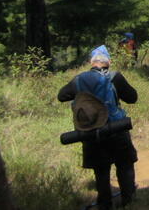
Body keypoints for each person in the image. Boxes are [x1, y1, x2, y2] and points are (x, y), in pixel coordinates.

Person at [58, 45, 138, 209]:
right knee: (124, 164)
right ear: (108, 61)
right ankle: (129, 201)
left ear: (91, 62)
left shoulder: (78, 80)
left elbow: (61, 96)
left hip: (91, 132)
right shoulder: (115, 77)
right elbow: (132, 97)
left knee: (101, 171)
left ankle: (105, 204)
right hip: (116, 129)